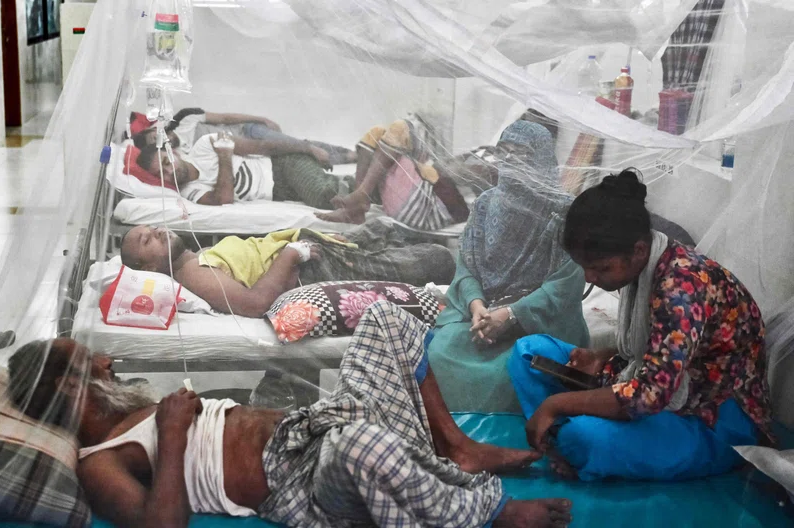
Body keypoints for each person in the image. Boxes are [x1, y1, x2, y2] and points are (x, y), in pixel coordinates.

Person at [7, 301, 573, 528]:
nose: (107, 360)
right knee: (362, 446)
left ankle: (455, 447)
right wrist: (173, 433)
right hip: (303, 485)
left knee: (385, 321)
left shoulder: (132, 408)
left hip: (313, 430)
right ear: (63, 387)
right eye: (91, 365)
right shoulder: (97, 462)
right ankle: (488, 513)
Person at [507, 170, 772, 481]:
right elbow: (657, 345)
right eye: (585, 267)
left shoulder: (681, 288)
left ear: (639, 251)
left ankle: (566, 436)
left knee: (582, 439)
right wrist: (602, 355)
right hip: (645, 378)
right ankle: (565, 436)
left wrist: (556, 404)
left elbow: (650, 394)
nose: (590, 278)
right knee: (527, 353)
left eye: (600, 268)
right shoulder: (647, 263)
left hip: (710, 416)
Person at [427, 120, 589, 413]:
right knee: (440, 350)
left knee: (510, 369)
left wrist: (512, 314)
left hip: (539, 319)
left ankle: (503, 442)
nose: (510, 159)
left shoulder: (566, 211)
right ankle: (451, 437)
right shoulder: (486, 204)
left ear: (541, 159)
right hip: (484, 316)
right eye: (504, 150)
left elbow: (566, 284)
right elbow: (467, 267)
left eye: (521, 152)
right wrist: (477, 306)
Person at [119, 221, 456, 316]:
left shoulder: (194, 257)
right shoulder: (191, 274)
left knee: (385, 228)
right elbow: (255, 304)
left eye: (151, 229)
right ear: (146, 267)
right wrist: (292, 254)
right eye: (148, 241)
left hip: (313, 248)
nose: (158, 232)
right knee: (439, 259)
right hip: (313, 267)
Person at [317, 115, 481, 230]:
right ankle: (359, 204)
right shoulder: (484, 157)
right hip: (413, 203)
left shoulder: (492, 167)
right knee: (377, 131)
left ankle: (361, 197)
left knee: (399, 128)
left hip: (430, 207)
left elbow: (459, 177)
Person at [137, 133, 351, 210]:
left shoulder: (204, 145)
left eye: (166, 162)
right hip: (280, 194)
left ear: (172, 152)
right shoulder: (189, 192)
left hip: (282, 165)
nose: (169, 172)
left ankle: (360, 185)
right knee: (323, 195)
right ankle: (357, 186)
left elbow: (262, 146)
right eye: (161, 175)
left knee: (324, 197)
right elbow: (225, 198)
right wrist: (223, 156)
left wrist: (308, 148)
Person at [132, 107, 356, 166]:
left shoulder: (185, 118)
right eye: (158, 145)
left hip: (246, 131)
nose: (164, 140)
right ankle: (346, 156)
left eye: (156, 136)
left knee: (292, 145)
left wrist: (259, 119)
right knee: (293, 151)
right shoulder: (182, 154)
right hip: (246, 151)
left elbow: (227, 118)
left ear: (156, 129)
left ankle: (348, 155)